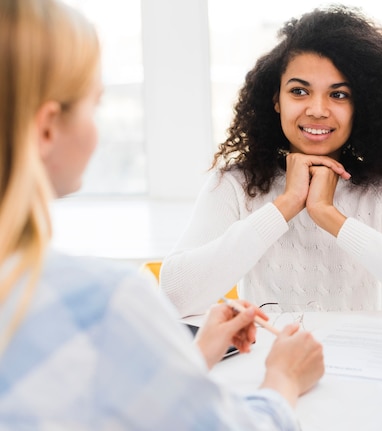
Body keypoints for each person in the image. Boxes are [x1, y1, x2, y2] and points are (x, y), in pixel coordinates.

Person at [0, 0, 324, 429]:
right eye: (94, 105)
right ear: (46, 129)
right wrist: (282, 377)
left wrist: (188, 359)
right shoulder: (101, 301)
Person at [160, 4, 382, 317]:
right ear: (276, 99)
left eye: (339, 95)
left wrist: (329, 216)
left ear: (363, 106)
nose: (317, 109)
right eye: (299, 91)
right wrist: (286, 204)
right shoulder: (236, 184)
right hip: (268, 364)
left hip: (361, 362)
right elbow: (174, 296)